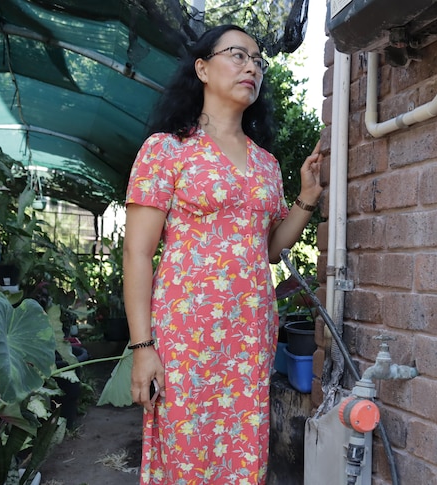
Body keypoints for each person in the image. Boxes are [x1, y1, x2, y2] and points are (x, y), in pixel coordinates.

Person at [122, 24, 322, 485]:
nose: (251, 66)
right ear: (203, 69)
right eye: (238, 55)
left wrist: (306, 198)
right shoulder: (167, 151)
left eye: (258, 60)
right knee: (186, 454)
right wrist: (142, 348)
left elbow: (269, 249)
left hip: (249, 342)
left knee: (243, 459)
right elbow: (137, 253)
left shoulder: (266, 164)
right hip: (185, 339)